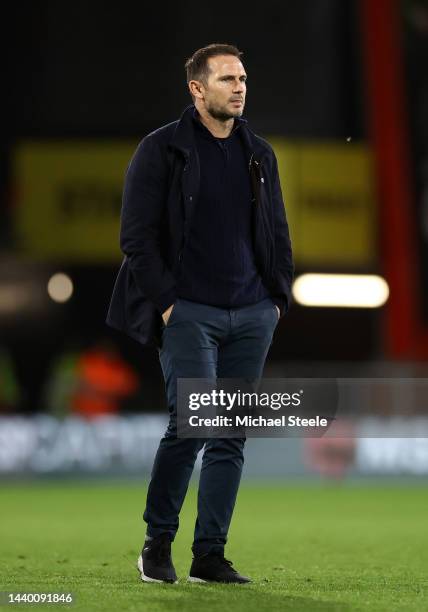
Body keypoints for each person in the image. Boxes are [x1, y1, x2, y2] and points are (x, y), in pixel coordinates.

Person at [106, 43, 294, 584]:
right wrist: (168, 304)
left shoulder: (259, 153)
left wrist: (276, 299)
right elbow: (136, 238)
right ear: (196, 88)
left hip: (253, 312)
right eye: (227, 79)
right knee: (193, 425)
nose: (240, 87)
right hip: (188, 312)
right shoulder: (161, 149)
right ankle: (157, 543)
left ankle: (209, 554)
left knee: (230, 434)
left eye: (243, 78)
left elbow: (277, 232)